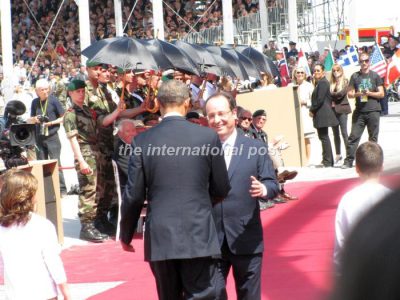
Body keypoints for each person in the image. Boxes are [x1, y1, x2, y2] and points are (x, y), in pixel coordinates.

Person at [120, 80, 231, 300]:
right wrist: (200, 204)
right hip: (198, 232)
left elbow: (133, 195)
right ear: (188, 103)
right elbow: (221, 187)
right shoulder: (207, 137)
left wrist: (126, 234)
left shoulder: (142, 141)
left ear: (159, 104)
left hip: (161, 235)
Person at [205, 92, 279, 300]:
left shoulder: (255, 148)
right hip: (211, 240)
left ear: (234, 113)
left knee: (249, 295)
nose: (217, 120)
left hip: (246, 237)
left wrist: (263, 190)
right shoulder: (200, 150)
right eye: (211, 115)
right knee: (213, 294)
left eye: (221, 113)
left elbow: (272, 183)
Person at [0, 169, 71, 300]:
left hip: (15, 293)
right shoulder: (42, 225)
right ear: (30, 197)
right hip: (44, 292)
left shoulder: (2, 228)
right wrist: (65, 291)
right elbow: (53, 261)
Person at [331, 189, 400, 300]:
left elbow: (341, 239)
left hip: (362, 269)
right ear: (380, 169)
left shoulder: (348, 199)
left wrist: (339, 272)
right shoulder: (389, 197)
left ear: (357, 170)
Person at [333, 141, 391, 274]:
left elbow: (341, 242)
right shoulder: (391, 198)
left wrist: (340, 274)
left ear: (357, 168)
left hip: (358, 272)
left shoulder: (348, 200)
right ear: (382, 167)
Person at [63, 79, 108, 243]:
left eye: (83, 91)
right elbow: (73, 140)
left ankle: (94, 223)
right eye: (77, 92)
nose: (81, 94)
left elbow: (103, 122)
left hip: (96, 152)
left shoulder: (88, 111)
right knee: (88, 190)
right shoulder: (70, 114)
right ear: (70, 93)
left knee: (98, 189)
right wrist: (80, 161)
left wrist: (118, 111)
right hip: (85, 153)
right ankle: (86, 227)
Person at [342, 52, 385, 169]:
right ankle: (349, 160)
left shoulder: (375, 76)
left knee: (373, 138)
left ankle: (373, 163)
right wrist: (358, 93)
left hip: (373, 110)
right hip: (360, 111)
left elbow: (381, 93)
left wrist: (370, 93)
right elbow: (350, 94)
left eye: (366, 61)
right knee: (353, 137)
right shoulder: (355, 76)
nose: (364, 63)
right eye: (362, 61)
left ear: (369, 62)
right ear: (359, 63)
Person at [29, 78, 66, 194]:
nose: (45, 92)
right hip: (39, 137)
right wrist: (34, 119)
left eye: (46, 89)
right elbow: (30, 119)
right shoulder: (35, 102)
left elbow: (64, 117)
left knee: (56, 162)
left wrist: (50, 123)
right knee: (41, 163)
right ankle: (46, 190)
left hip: (52, 136)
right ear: (37, 91)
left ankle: (62, 189)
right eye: (42, 90)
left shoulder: (54, 100)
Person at [309, 63, 339, 167]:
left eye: (318, 70)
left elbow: (320, 99)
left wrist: (312, 110)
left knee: (324, 137)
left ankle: (327, 161)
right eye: (315, 70)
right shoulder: (321, 82)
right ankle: (327, 160)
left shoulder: (322, 83)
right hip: (322, 113)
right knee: (323, 137)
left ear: (323, 72)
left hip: (322, 113)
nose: (316, 72)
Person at [291, 67, 315, 164]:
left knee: (306, 137)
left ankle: (307, 160)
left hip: (305, 112)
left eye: (302, 72)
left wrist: (304, 102)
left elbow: (314, 100)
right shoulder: (291, 85)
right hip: (294, 113)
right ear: (295, 74)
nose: (300, 74)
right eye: (298, 72)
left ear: (305, 74)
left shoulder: (309, 86)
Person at [330, 64, 351, 165]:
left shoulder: (345, 81)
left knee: (344, 133)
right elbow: (330, 96)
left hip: (342, 109)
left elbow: (340, 95)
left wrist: (332, 94)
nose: (335, 72)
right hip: (333, 111)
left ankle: (349, 154)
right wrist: (333, 95)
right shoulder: (331, 83)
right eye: (334, 71)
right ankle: (338, 154)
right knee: (335, 134)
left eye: (337, 70)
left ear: (341, 71)